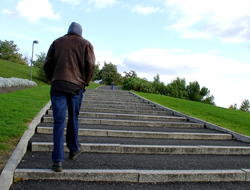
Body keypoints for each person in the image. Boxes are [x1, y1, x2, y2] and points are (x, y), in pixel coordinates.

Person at [43, 22, 95, 172]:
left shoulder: (56, 42)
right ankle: (73, 149)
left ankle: (57, 161)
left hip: (57, 85)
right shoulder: (86, 43)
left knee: (58, 122)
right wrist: (85, 81)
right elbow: (90, 64)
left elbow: (47, 63)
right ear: (80, 32)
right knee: (73, 117)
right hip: (75, 86)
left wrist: (53, 78)